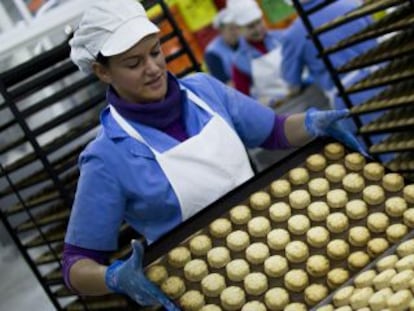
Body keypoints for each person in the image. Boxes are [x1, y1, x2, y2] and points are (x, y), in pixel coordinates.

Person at [63, 0, 364, 309]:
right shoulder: (105, 157)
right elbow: (76, 265)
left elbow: (274, 131)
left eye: (155, 52)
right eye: (133, 63)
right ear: (103, 72)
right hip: (205, 293)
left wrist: (313, 124)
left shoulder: (204, 90)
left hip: (281, 251)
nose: (153, 69)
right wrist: (114, 277)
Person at [226, 0, 290, 106]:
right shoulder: (239, 62)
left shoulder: (282, 38)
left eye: (259, 22)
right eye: (251, 26)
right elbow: (244, 101)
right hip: (278, 113)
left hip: (306, 98)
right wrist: (260, 103)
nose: (258, 29)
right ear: (238, 29)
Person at [204, 8, 241, 86]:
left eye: (237, 27)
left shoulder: (244, 40)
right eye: (231, 29)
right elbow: (225, 85)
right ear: (221, 31)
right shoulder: (212, 53)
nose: (236, 32)